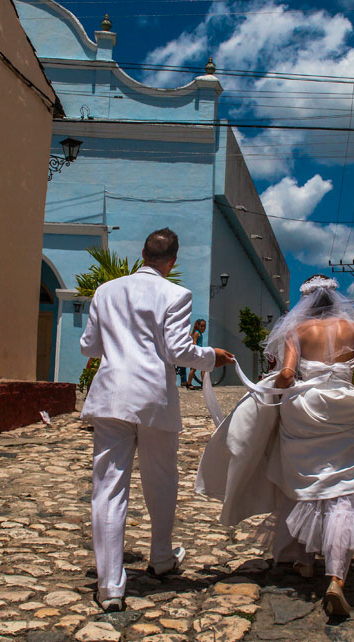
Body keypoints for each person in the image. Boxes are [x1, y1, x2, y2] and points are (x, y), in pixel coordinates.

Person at [196, 275, 354, 617]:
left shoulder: (298, 331)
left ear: (306, 304)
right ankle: (336, 578)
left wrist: (275, 386)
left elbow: (287, 374)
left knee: (305, 482)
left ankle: (305, 561)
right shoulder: (353, 329)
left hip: (306, 412)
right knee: (343, 490)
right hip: (345, 411)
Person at [80, 228, 235, 613]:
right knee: (161, 480)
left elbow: (89, 345)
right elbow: (179, 351)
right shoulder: (176, 294)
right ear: (173, 261)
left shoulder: (106, 291)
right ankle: (162, 556)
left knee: (108, 488)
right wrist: (212, 356)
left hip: (111, 397)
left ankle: (110, 585)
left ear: (142, 254)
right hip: (152, 400)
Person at [185, 319, 207, 390]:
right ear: (198, 326)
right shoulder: (197, 333)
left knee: (203, 369)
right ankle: (188, 384)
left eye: (204, 326)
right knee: (194, 369)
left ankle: (204, 384)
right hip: (196, 353)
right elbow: (194, 342)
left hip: (199, 353)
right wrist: (198, 351)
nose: (203, 328)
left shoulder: (199, 333)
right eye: (201, 326)